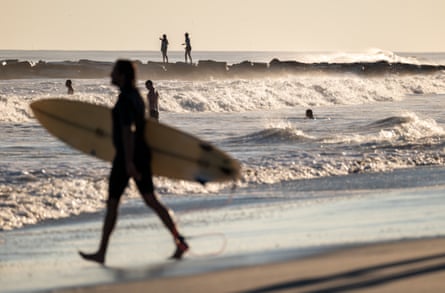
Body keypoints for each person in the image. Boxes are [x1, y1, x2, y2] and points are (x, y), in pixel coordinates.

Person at [79, 60, 188, 264]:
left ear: (122, 75)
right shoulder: (136, 96)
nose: (110, 75)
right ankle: (179, 242)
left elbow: (128, 131)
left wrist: (128, 162)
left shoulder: (126, 99)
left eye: (114, 72)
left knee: (114, 204)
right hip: (140, 156)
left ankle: (102, 252)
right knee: (150, 201)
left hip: (128, 159)